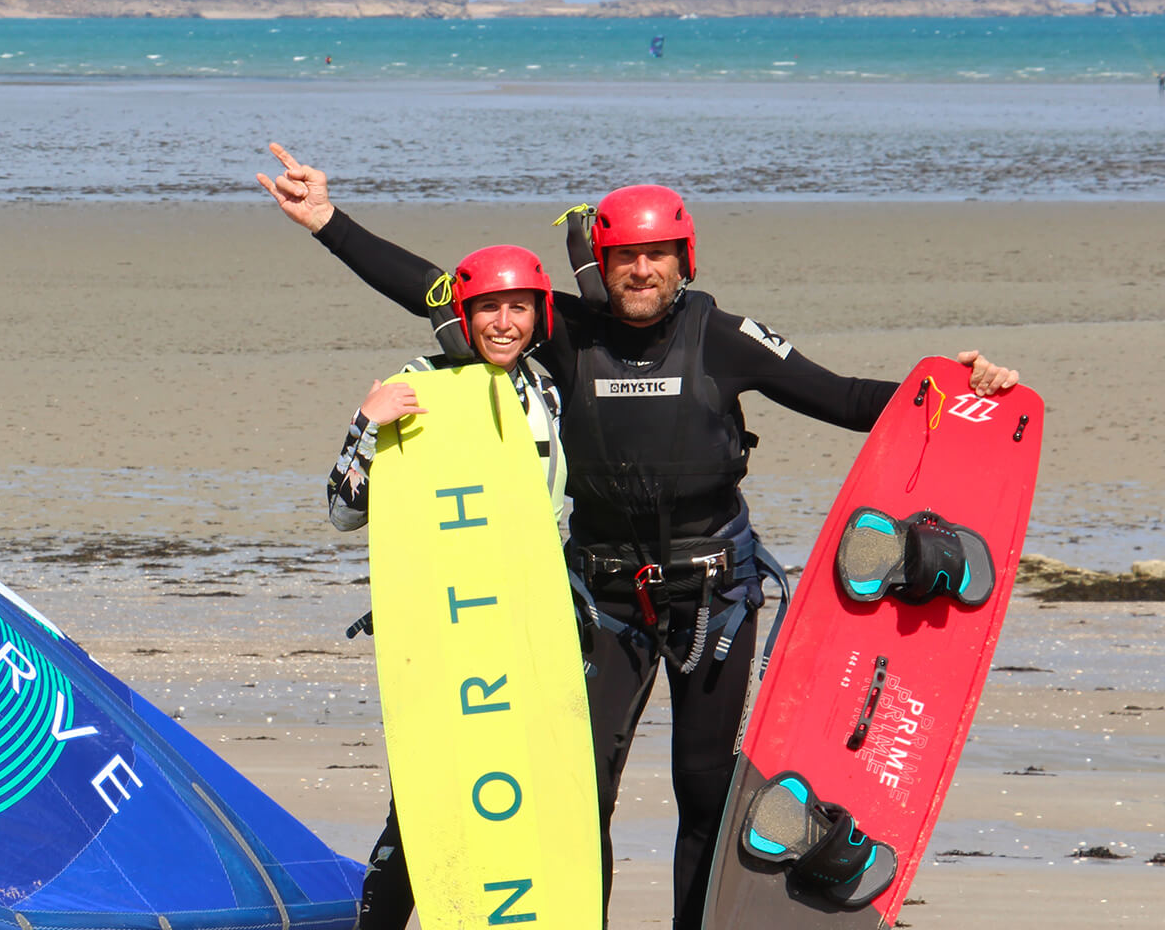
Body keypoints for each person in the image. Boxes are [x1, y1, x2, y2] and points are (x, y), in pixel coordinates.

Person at [258, 143, 1018, 929]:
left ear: (682, 259)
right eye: (626, 256)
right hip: (603, 602)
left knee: (703, 794)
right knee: (580, 798)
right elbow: (444, 291)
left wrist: (964, 389)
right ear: (602, 263)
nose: (642, 270)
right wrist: (328, 221)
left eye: (657, 255)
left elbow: (849, 399)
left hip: (714, 599)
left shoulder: (722, 335)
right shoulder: (565, 328)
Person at [324, 243, 566, 930]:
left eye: (518, 307)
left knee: (517, 795)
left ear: (538, 315)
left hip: (524, 633)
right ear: (463, 316)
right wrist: (366, 425)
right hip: (443, 632)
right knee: (425, 805)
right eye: (489, 307)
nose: (504, 323)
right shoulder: (418, 385)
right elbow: (343, 511)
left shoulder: (545, 391)